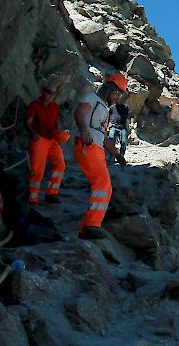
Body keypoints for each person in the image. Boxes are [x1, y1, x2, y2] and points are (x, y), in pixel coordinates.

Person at [73, 72, 128, 240]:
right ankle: (90, 225)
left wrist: (116, 154)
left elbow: (103, 136)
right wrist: (84, 131)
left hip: (97, 148)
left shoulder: (104, 108)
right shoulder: (91, 98)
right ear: (110, 89)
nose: (117, 97)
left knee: (104, 186)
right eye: (117, 93)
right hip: (88, 146)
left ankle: (87, 227)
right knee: (102, 184)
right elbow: (79, 113)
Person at [26, 81, 69, 205]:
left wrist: (60, 135)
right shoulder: (34, 105)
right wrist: (33, 134)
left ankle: (51, 194)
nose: (50, 95)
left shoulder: (55, 107)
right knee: (37, 169)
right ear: (43, 91)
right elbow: (28, 122)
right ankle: (33, 197)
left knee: (60, 164)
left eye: (53, 94)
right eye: (48, 92)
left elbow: (55, 123)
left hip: (52, 140)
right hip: (39, 139)